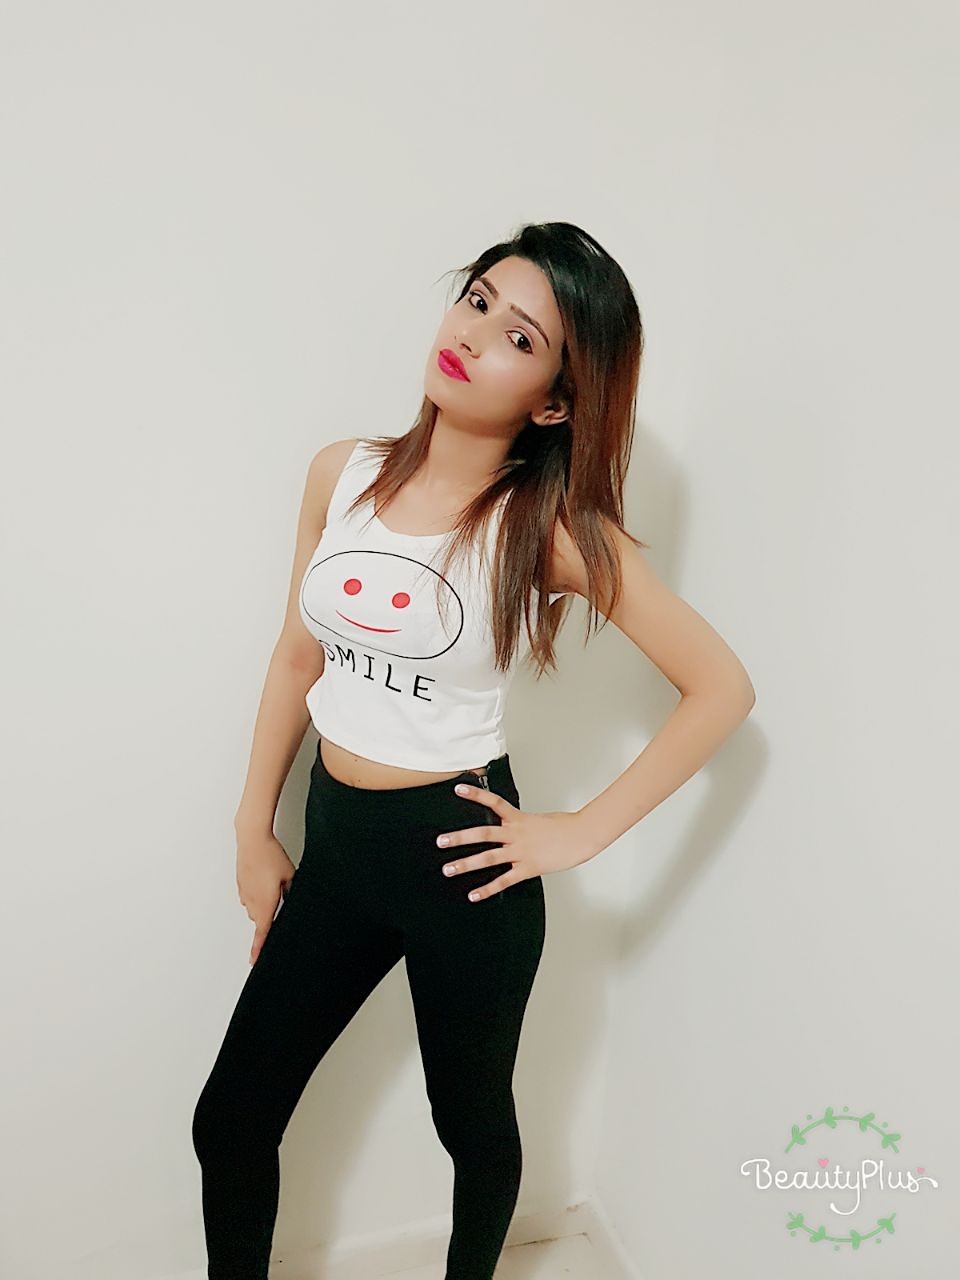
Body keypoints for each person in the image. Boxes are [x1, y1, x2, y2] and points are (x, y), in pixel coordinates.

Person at [191, 221, 756, 1279]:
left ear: (554, 402)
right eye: (479, 298)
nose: (474, 332)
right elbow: (296, 656)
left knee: (474, 1125)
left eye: (520, 336)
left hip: (463, 863)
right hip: (337, 847)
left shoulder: (551, 531)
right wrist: (252, 823)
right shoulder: (340, 473)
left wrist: (578, 831)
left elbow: (721, 688)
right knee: (230, 1118)